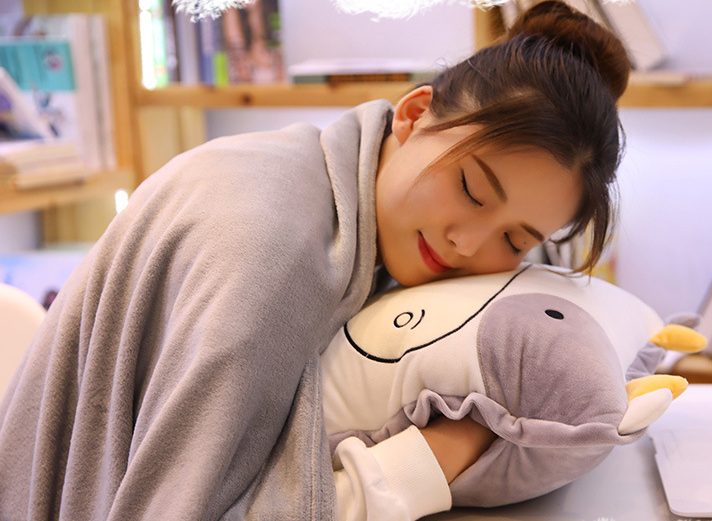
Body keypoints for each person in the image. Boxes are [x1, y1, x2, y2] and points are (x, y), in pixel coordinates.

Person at [0, 1, 629, 519]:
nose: (469, 243)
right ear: (414, 115)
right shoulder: (269, 249)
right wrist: (450, 448)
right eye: (470, 188)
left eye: (514, 240)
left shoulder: (343, 204)